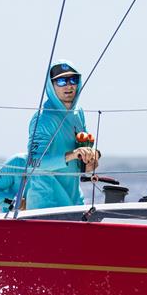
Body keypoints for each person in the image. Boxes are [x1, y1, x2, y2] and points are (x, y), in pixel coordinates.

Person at [25, 60, 100, 210]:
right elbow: (33, 163)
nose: (68, 85)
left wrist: (89, 160)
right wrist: (73, 154)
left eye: (73, 79)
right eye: (61, 81)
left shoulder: (78, 112)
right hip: (46, 205)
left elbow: (80, 158)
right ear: (51, 86)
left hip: (74, 202)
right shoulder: (43, 118)